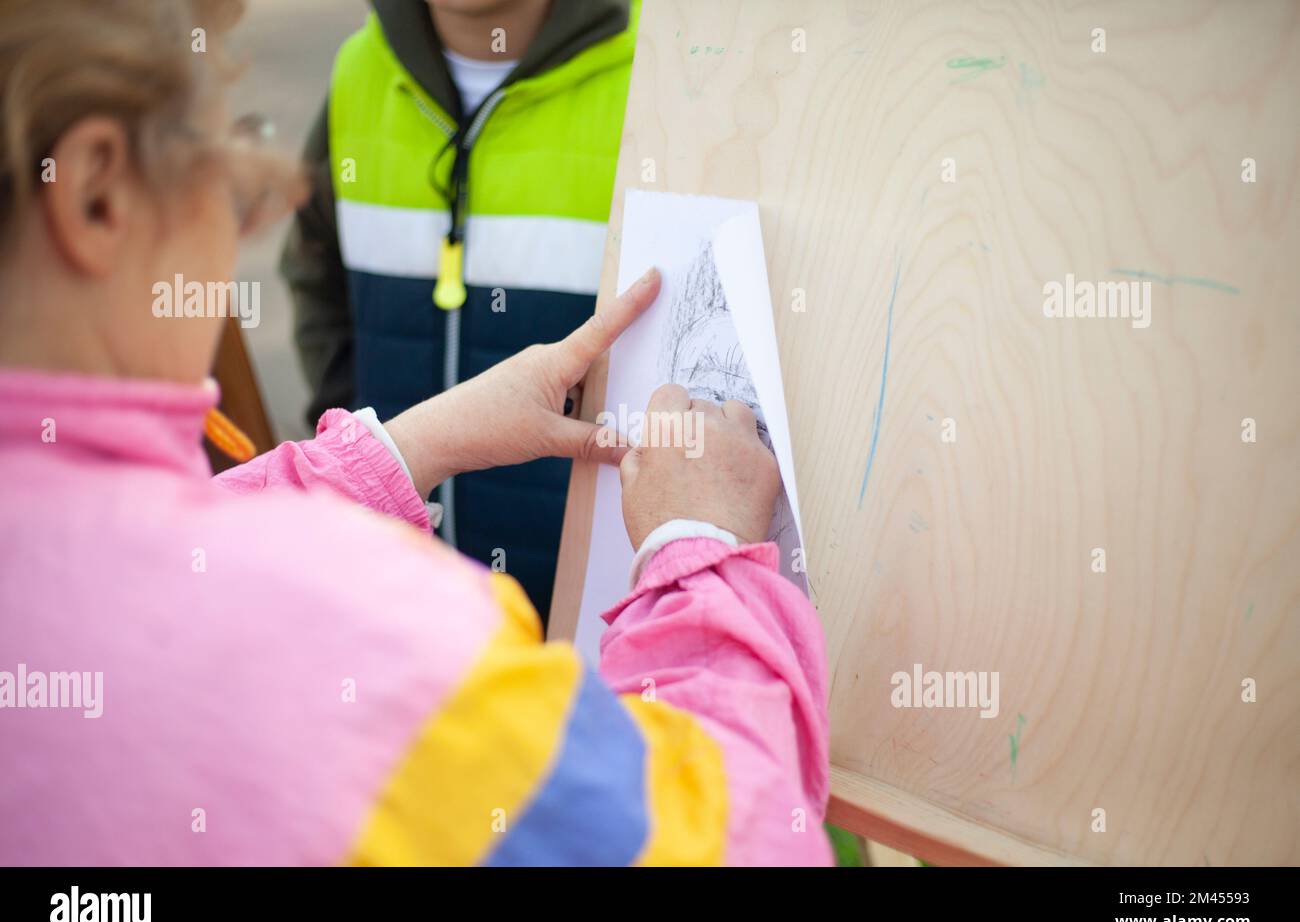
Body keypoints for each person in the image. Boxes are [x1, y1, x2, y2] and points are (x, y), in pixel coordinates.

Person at [0, 0, 830, 865]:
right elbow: (739, 842)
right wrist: (703, 555)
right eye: (227, 156)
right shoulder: (383, 647)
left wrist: (404, 448)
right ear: (96, 195)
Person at [284, 0, 641, 624]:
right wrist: (346, 444)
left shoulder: (657, 74)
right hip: (392, 615)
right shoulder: (359, 71)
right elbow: (318, 274)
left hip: (594, 628)